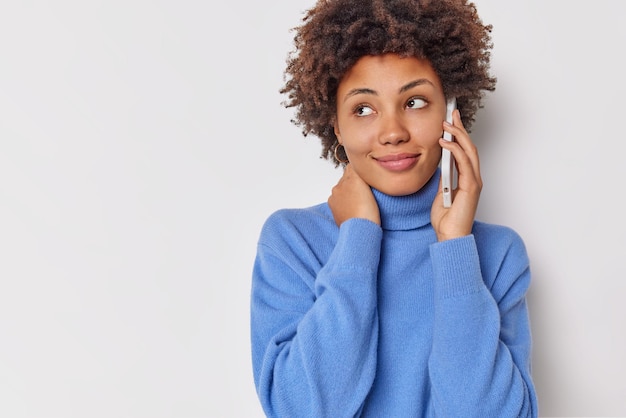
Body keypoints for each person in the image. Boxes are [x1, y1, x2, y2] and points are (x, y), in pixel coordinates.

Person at [250, 0, 538, 416]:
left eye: (415, 102)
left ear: (451, 112)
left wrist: (455, 246)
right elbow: (302, 409)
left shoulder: (496, 254)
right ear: (336, 124)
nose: (392, 132)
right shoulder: (293, 241)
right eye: (363, 108)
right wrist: (358, 239)